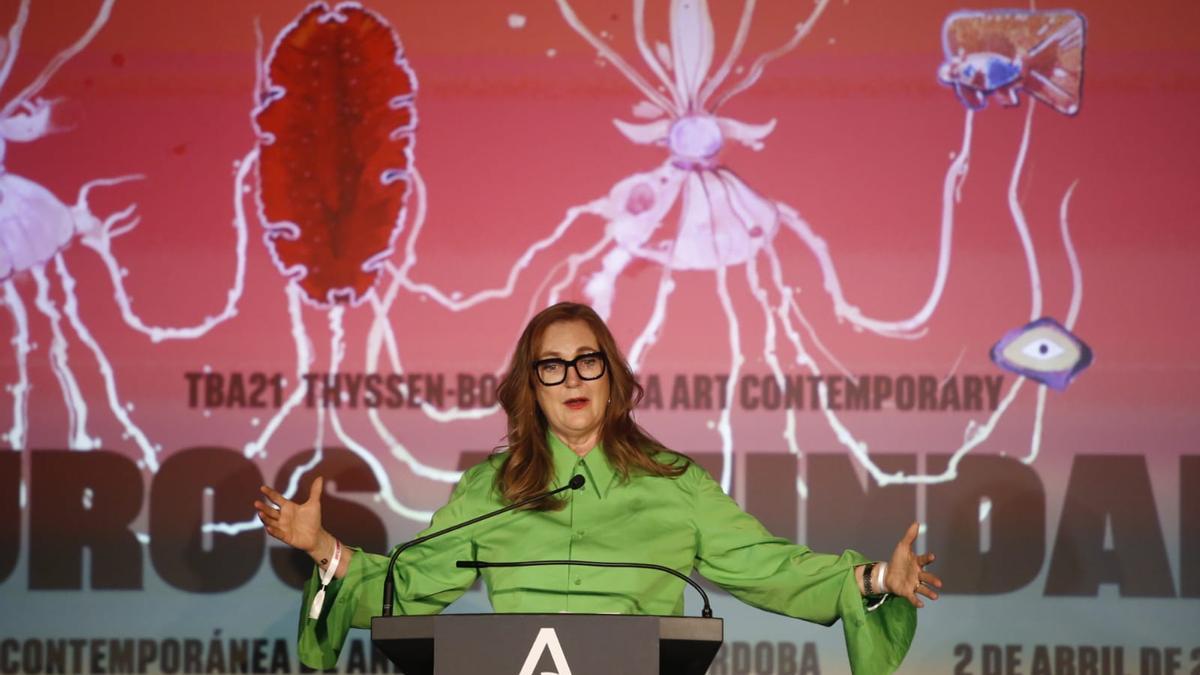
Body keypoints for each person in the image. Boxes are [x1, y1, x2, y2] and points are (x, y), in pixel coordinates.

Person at [254, 302, 942, 673]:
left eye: (586, 360)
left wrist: (877, 575)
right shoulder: (492, 489)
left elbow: (769, 568)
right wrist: (327, 552)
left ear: (611, 375)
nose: (572, 377)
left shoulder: (676, 483)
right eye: (551, 366)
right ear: (532, 388)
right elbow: (408, 586)